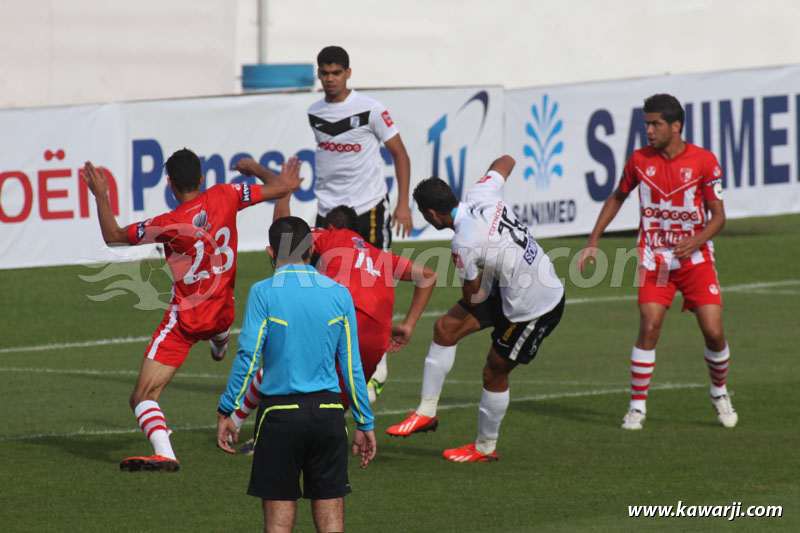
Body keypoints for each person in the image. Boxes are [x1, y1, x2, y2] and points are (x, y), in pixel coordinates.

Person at [81, 149, 301, 472]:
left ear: (169, 185)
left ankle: (165, 452)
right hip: (224, 308)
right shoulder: (226, 194)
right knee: (221, 327)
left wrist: (101, 195)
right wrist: (254, 167)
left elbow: (113, 236)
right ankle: (221, 338)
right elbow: (281, 188)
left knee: (141, 396)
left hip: (186, 322)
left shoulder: (167, 224)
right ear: (201, 178)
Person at [386, 155, 565, 463]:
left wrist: (482, 273)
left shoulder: (463, 242)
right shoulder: (480, 193)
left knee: (493, 371)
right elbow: (506, 161)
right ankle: (426, 411)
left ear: (431, 213)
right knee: (445, 328)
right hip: (509, 286)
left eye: (423, 215)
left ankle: (485, 447)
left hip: (535, 304)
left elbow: (472, 298)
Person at [578, 93, 737, 430]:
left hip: (695, 259)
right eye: (646, 124)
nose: (648, 130)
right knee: (649, 327)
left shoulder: (704, 161)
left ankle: (720, 392)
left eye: (655, 124)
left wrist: (697, 239)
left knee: (713, 332)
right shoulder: (639, 160)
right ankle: (637, 408)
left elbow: (718, 216)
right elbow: (618, 196)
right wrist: (594, 239)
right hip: (656, 260)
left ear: (675, 126)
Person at [224, 201, 437, 447]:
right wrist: (408, 325)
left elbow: (286, 236)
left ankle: (239, 425)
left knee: (282, 363)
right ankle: (319, 444)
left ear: (331, 225)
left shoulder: (331, 235)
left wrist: (282, 194)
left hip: (337, 318)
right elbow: (429, 275)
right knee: (334, 401)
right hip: (375, 338)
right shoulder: (379, 254)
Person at [216, 216, 376, 533]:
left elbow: (248, 356)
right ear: (312, 249)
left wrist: (228, 410)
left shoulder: (263, 293)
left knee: (278, 525)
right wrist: (364, 421)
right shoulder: (339, 294)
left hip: (280, 418)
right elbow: (352, 367)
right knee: (332, 522)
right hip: (329, 417)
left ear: (269, 253)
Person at [309, 45, 413, 397]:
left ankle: (377, 361)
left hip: (368, 207)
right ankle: (327, 352)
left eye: (336, 72)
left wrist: (402, 204)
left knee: (375, 276)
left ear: (348, 74)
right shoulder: (314, 112)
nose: (330, 79)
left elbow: (400, 153)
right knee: (323, 281)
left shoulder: (371, 109)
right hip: (328, 210)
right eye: (325, 73)